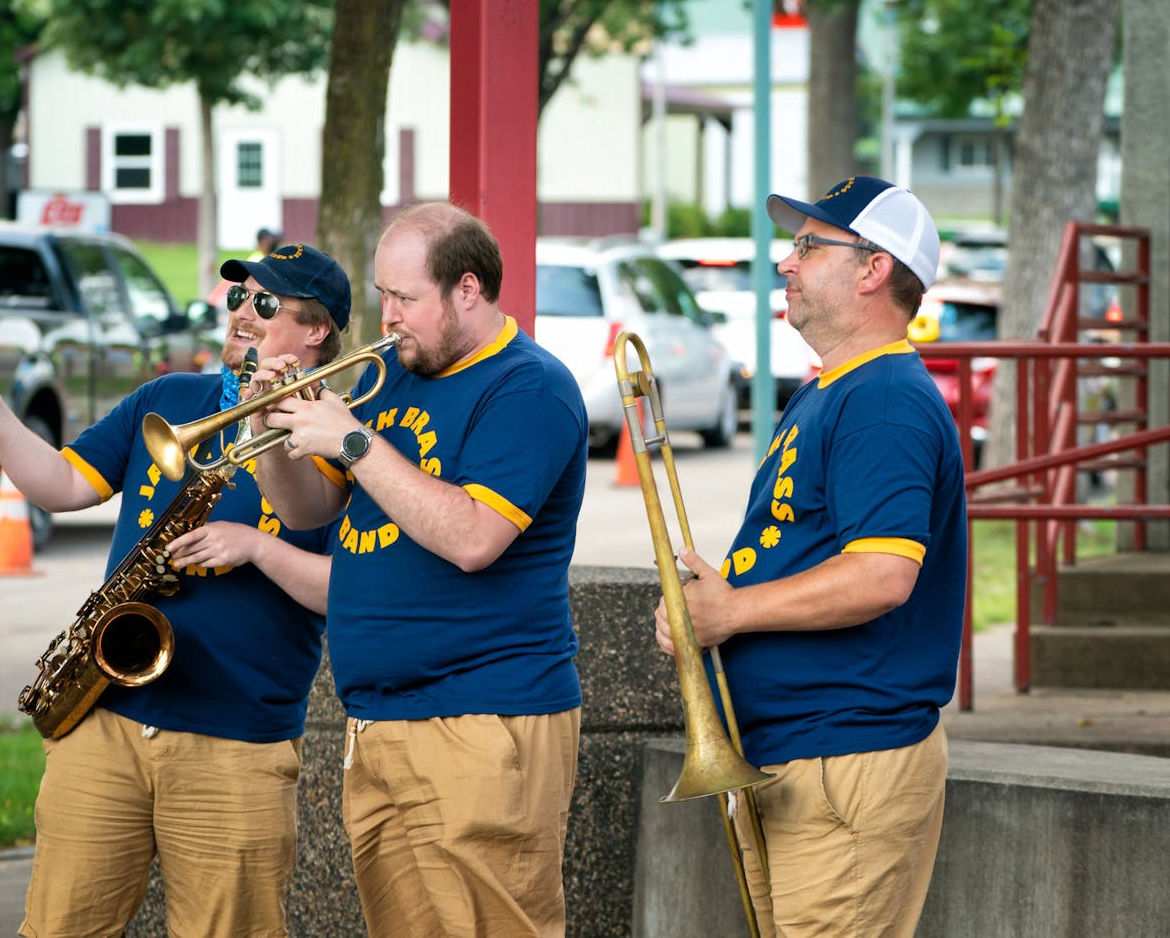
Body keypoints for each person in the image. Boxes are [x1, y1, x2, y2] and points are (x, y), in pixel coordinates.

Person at [0, 242, 352, 936]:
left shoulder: (345, 436)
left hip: (234, 740)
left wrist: (258, 546)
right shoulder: (170, 398)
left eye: (266, 304)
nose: (242, 314)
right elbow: (61, 484)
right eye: (237, 296)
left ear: (317, 330)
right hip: (107, 719)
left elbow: (347, 590)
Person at [249, 202, 588, 937]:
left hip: (482, 716)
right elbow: (308, 511)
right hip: (380, 722)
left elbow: (473, 536)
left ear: (467, 289)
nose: (387, 315)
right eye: (381, 295)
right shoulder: (392, 375)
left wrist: (353, 440)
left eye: (404, 298)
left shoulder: (529, 386)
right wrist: (267, 429)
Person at [654, 176, 966, 937]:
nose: (786, 264)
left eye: (807, 246)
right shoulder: (835, 389)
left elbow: (883, 573)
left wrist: (731, 610)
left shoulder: (884, 397)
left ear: (873, 269)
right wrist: (715, 597)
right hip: (804, 757)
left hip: (845, 759)